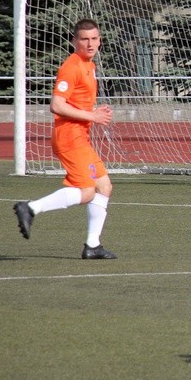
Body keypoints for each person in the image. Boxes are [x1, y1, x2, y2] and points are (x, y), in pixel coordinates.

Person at [13, 19, 117, 259]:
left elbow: (75, 101)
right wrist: (92, 115)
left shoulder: (88, 65)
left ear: (99, 40)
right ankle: (30, 208)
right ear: (75, 41)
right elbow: (56, 105)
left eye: (94, 38)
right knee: (88, 192)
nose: (90, 43)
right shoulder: (72, 66)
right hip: (70, 138)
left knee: (104, 186)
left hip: (81, 137)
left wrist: (93, 113)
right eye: (84, 39)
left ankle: (92, 246)